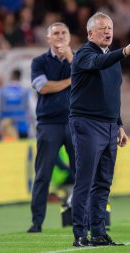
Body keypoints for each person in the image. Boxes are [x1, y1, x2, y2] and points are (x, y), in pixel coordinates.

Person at [69, 12, 130, 247]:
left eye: (109, 27)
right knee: (85, 180)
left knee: (103, 182)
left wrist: (119, 125)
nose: (107, 31)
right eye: (102, 28)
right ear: (90, 33)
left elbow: (113, 96)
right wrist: (123, 52)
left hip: (109, 126)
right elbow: (96, 63)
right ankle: (80, 234)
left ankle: (99, 233)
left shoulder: (111, 59)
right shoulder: (84, 54)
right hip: (87, 123)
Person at [27, 22, 76, 233]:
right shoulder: (39, 61)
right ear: (48, 39)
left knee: (82, 172)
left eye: (63, 32)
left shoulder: (79, 59)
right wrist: (70, 81)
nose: (60, 36)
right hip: (49, 124)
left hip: (75, 122)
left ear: (69, 37)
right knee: (42, 174)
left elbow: (87, 80)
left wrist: (72, 60)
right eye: (55, 33)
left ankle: (88, 217)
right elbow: (43, 87)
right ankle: (37, 222)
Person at [0, 69, 34, 139]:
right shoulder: (26, 92)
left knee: (6, 149)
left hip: (5, 128)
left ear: (11, 77)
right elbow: (33, 111)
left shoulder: (1, 91)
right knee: (21, 149)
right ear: (20, 77)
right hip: (22, 128)